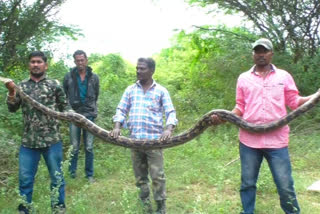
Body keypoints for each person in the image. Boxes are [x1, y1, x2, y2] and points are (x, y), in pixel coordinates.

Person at [212, 38, 315, 214]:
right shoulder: (243, 78)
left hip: (277, 141)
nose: (261, 54)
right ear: (253, 54)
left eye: (264, 51)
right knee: (248, 183)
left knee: (285, 184)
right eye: (257, 51)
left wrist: (315, 96)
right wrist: (223, 117)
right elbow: (240, 107)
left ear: (271, 54)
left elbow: (294, 102)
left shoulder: (283, 76)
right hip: (249, 141)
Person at [110, 57, 178, 214]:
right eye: (137, 68)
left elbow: (170, 112)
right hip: (134, 142)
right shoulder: (130, 90)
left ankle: (161, 207)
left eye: (142, 68)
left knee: (157, 176)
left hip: (154, 142)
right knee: (140, 177)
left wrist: (168, 129)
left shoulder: (161, 91)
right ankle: (145, 205)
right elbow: (121, 110)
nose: (138, 71)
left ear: (152, 70)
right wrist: (117, 126)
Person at [5, 51, 68, 214]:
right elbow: (12, 109)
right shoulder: (21, 86)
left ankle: (58, 208)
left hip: (52, 141)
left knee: (57, 178)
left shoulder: (54, 84)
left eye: (39, 62)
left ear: (45, 65)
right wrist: (12, 92)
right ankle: (24, 209)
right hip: (29, 142)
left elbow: (65, 107)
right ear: (29, 65)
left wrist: (76, 117)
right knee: (25, 179)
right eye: (32, 62)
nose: (35, 64)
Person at [63, 50, 99, 183]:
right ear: (74, 61)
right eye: (77, 60)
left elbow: (96, 95)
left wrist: (93, 110)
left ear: (86, 60)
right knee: (74, 146)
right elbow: (64, 96)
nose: (80, 63)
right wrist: (69, 110)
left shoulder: (94, 77)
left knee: (89, 146)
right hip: (74, 115)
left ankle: (89, 175)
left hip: (89, 115)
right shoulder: (69, 77)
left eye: (82, 60)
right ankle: (72, 174)